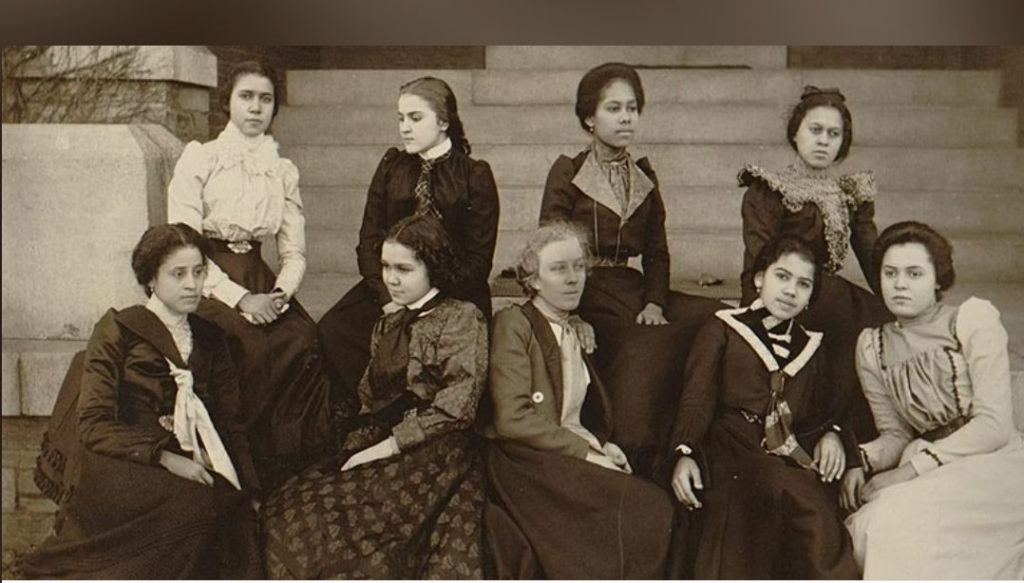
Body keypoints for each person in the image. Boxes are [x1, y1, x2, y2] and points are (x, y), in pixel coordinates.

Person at [18, 224, 262, 579]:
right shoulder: (120, 328)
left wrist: (251, 489)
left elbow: (230, 423)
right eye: (178, 274)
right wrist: (164, 458)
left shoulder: (211, 339)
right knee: (196, 508)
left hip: (188, 457)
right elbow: (94, 425)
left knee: (235, 513)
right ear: (151, 279)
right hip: (122, 462)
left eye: (198, 272)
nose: (192, 284)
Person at [261, 213, 489, 579]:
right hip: (383, 439)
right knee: (292, 507)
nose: (391, 279)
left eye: (404, 268)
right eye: (385, 266)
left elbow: (457, 407)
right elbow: (370, 395)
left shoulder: (460, 317)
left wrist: (385, 448)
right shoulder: (387, 322)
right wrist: (361, 444)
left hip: (439, 451)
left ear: (432, 267)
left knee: (365, 531)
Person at [539, 62, 723, 476]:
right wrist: (571, 316)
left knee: (716, 316)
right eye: (614, 108)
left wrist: (656, 302)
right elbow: (550, 250)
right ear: (589, 117)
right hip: (584, 290)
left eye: (633, 108)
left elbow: (657, 252)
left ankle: (687, 437)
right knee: (643, 348)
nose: (626, 117)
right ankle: (636, 451)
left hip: (634, 289)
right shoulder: (568, 172)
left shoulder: (644, 177)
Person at [167, 60, 333, 490]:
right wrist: (241, 300)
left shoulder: (281, 170)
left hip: (261, 277)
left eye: (265, 99)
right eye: (246, 97)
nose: (255, 108)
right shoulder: (201, 159)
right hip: (204, 277)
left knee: (303, 339)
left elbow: (294, 251)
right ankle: (239, 471)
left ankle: (286, 470)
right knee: (248, 345)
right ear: (227, 103)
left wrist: (279, 294)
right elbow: (184, 245)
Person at [481, 221, 675, 579]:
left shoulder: (574, 327)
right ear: (534, 279)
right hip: (523, 460)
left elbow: (575, 413)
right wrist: (588, 453)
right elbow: (512, 418)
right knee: (647, 509)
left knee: (654, 506)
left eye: (578, 266)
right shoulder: (515, 324)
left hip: (562, 450)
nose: (573, 278)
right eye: (558, 269)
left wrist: (602, 445)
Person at [667, 235, 860, 579]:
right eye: (781, 277)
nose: (790, 291)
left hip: (785, 449)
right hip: (728, 445)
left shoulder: (812, 346)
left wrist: (831, 436)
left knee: (815, 512)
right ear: (759, 279)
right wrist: (684, 453)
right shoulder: (724, 328)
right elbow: (696, 398)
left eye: (803, 284)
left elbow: (821, 412)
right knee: (754, 498)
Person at [842, 221, 1024, 579]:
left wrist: (908, 472)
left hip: (991, 463)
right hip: (926, 462)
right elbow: (895, 433)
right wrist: (858, 460)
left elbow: (994, 425)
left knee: (907, 526)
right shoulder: (872, 345)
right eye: (890, 273)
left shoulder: (972, 320)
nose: (900, 284)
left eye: (914, 273)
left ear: (938, 279)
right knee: (875, 525)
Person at [317, 76, 499, 415]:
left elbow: (479, 259)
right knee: (334, 329)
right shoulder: (391, 166)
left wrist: (428, 298)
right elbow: (368, 240)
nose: (405, 128)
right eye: (400, 118)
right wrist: (388, 297)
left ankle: (422, 414)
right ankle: (375, 412)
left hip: (453, 291)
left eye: (416, 118)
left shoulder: (473, 174)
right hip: (393, 286)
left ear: (444, 122)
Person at [739, 85, 892, 444]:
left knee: (881, 323)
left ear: (843, 142)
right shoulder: (770, 189)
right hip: (788, 297)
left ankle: (853, 435)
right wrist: (756, 316)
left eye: (833, 134)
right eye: (815, 130)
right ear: (795, 133)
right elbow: (758, 259)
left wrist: (895, 299)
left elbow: (871, 255)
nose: (823, 141)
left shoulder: (850, 194)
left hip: (830, 299)